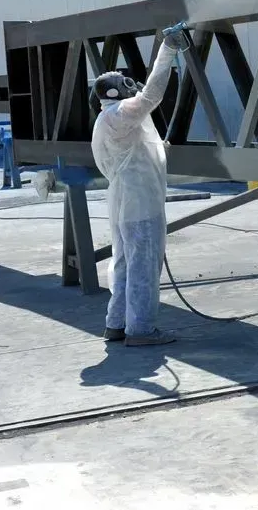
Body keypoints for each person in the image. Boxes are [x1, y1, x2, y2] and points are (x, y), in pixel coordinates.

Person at [90, 33, 183, 346]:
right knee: (143, 265)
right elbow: (152, 94)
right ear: (114, 92)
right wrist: (168, 51)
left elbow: (135, 149)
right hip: (139, 204)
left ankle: (116, 324)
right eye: (123, 81)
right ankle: (141, 331)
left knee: (125, 265)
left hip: (125, 202)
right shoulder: (119, 114)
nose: (132, 82)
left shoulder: (112, 120)